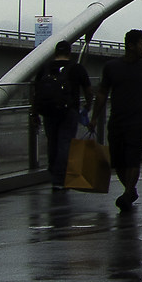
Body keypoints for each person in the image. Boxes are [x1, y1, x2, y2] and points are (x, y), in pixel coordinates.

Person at [90, 29, 142, 213]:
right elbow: (102, 93)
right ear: (131, 45)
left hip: (138, 120)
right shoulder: (111, 67)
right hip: (117, 120)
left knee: (133, 159)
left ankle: (128, 192)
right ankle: (130, 190)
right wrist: (94, 117)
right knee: (118, 161)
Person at [30, 41, 91, 187]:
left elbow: (35, 92)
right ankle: (60, 178)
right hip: (69, 111)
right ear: (69, 53)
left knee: (53, 142)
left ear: (55, 52)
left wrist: (34, 113)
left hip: (48, 111)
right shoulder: (77, 68)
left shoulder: (45, 68)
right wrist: (88, 105)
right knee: (65, 143)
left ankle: (53, 172)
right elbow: (88, 91)